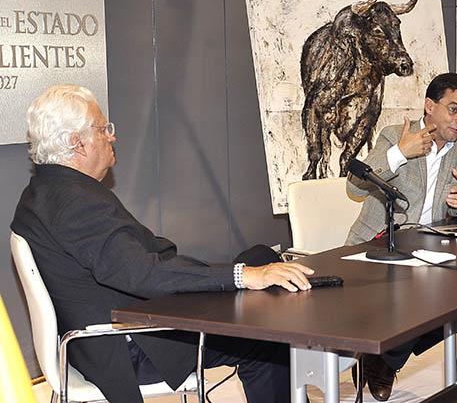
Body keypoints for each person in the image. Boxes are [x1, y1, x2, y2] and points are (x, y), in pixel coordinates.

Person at [11, 84, 314, 403]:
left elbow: (135, 262)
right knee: (268, 341)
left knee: (260, 256)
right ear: (78, 143)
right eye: (103, 129)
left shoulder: (42, 191)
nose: (112, 136)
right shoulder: (77, 203)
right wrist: (242, 276)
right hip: (134, 344)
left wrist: (241, 272)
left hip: (106, 333)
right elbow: (141, 274)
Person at [346, 72, 457, 401]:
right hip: (377, 248)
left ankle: (382, 359)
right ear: (430, 106)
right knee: (424, 300)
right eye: (454, 109)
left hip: (427, 250)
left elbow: (452, 211)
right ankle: (383, 358)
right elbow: (354, 187)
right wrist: (400, 153)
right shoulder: (394, 136)